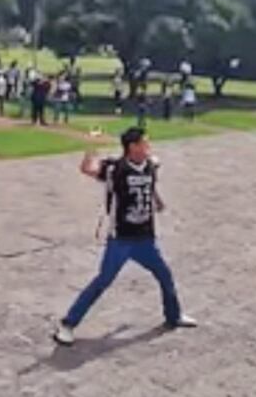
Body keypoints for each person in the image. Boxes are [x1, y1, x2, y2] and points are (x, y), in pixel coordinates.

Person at [53, 127, 197, 346]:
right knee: (102, 281)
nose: (148, 147)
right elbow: (86, 168)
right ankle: (67, 324)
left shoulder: (150, 165)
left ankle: (173, 316)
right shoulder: (115, 169)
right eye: (145, 143)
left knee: (165, 276)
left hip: (146, 238)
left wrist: (157, 201)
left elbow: (150, 184)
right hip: (121, 239)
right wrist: (91, 145)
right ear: (132, 146)